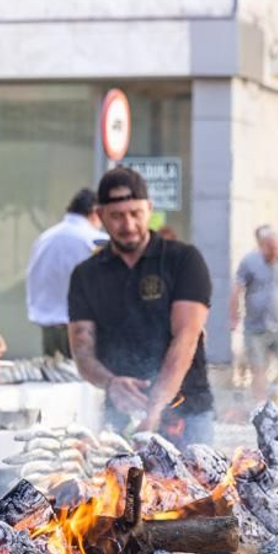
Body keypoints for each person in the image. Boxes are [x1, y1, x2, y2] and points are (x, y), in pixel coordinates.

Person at [67, 166, 214, 447]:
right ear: (100, 216)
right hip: (119, 416)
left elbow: (186, 337)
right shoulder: (86, 275)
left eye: (136, 213)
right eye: (117, 216)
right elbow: (82, 349)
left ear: (149, 208)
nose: (129, 224)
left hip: (186, 413)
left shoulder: (183, 260)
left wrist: (155, 408)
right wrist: (111, 383)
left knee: (196, 490)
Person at [230, 224, 278, 400]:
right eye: (270, 248)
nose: (274, 252)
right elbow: (237, 289)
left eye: (276, 248)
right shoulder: (249, 262)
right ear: (261, 245)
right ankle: (261, 405)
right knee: (258, 368)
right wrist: (233, 316)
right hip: (256, 327)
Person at [25, 188, 105, 357]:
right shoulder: (95, 240)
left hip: (49, 328)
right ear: (94, 212)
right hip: (83, 328)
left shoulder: (44, 238)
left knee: (53, 380)